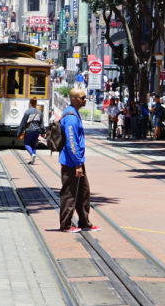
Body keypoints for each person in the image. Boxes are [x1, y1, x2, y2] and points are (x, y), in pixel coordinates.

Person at [58, 88, 100, 233]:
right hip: (71, 162)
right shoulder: (70, 117)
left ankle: (84, 222)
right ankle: (66, 225)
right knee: (69, 193)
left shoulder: (74, 114)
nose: (85, 100)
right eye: (82, 97)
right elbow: (71, 142)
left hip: (77, 161)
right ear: (74, 99)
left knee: (83, 192)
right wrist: (77, 164)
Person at [17, 98, 45, 164]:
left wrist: (19, 133)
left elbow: (23, 123)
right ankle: (33, 160)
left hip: (29, 130)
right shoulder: (39, 112)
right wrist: (43, 132)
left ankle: (32, 154)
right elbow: (41, 123)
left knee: (26, 144)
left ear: (30, 103)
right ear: (36, 103)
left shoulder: (27, 112)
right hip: (37, 131)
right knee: (33, 145)